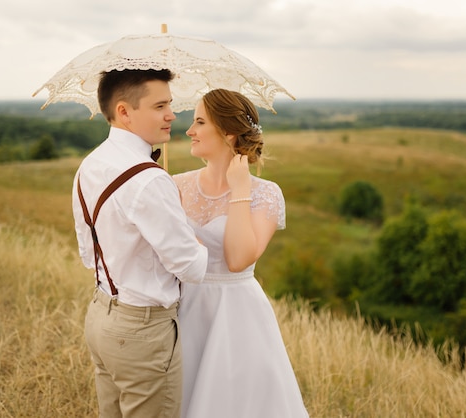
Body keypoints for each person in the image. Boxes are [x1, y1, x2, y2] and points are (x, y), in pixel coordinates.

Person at [71, 68, 208, 418]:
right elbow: (191, 267)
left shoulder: (91, 163)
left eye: (170, 104)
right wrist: (194, 236)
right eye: (160, 105)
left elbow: (89, 254)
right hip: (144, 330)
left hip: (102, 315)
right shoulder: (149, 180)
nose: (171, 115)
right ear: (124, 111)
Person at [173, 88, 309, 418]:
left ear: (228, 133)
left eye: (199, 122)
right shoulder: (174, 184)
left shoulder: (266, 194)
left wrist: (240, 190)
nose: (189, 131)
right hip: (182, 309)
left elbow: (238, 260)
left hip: (236, 316)